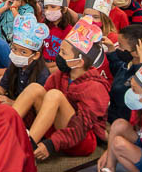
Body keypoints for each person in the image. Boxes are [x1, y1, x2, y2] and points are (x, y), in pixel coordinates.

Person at [13, 16, 110, 161]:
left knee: (54, 95)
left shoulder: (95, 88)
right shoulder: (60, 75)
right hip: (57, 128)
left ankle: (28, 145)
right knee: (35, 88)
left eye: (63, 53)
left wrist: (51, 144)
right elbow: (43, 107)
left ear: (78, 61)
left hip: (81, 139)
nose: (59, 56)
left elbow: (81, 127)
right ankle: (6, 127)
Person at [0, 13, 50, 105]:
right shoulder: (13, 66)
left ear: (35, 55)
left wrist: (12, 103)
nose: (17, 54)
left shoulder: (42, 74)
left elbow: (38, 106)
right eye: (14, 49)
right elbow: (2, 86)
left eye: (23, 52)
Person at [107, 24, 142, 124]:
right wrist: (111, 49)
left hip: (124, 123)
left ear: (137, 52)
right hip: (111, 117)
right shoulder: (128, 64)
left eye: (120, 45)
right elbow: (118, 69)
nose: (118, 48)